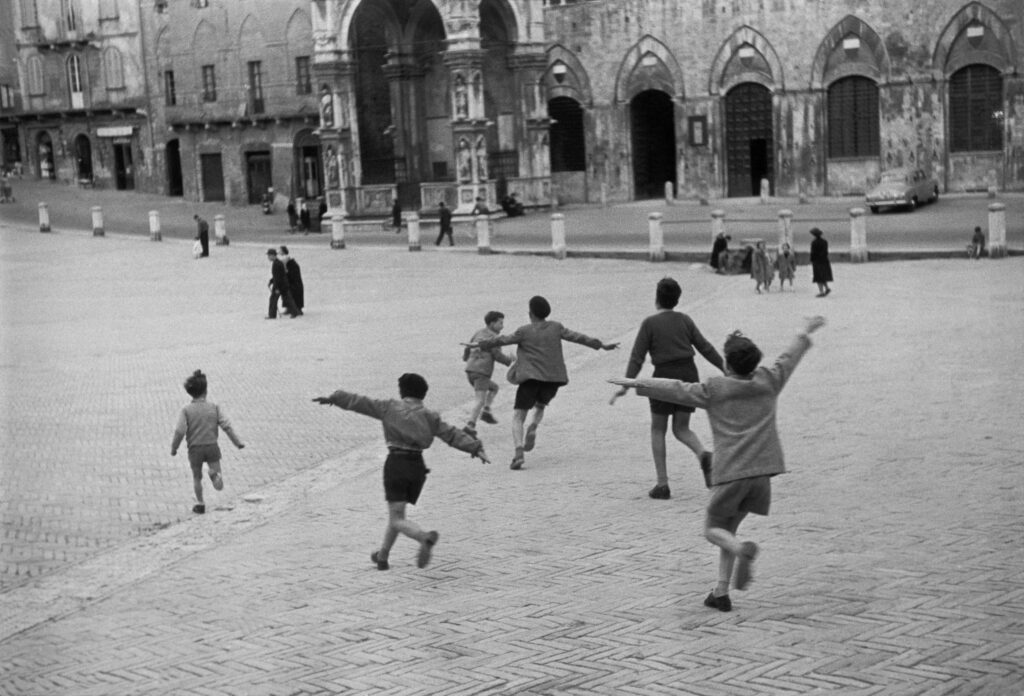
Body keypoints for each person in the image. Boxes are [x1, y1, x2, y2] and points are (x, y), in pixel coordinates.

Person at [609, 315, 827, 612]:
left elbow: (676, 388)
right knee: (729, 529)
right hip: (761, 476)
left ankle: (742, 551)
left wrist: (637, 382)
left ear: (727, 365)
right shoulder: (769, 380)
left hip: (731, 475)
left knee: (712, 529)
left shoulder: (715, 389)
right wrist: (803, 331)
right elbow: (789, 358)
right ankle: (720, 593)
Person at [312, 373, 489, 570]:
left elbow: (360, 402)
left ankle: (423, 537)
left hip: (396, 463)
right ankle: (382, 556)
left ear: (402, 391)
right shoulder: (430, 416)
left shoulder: (389, 407)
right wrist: (474, 447)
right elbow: (451, 434)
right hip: (417, 467)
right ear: (423, 395)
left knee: (397, 518)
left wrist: (335, 398)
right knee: (397, 516)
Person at [467, 295, 619, 471]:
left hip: (530, 379)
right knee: (540, 407)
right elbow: (578, 337)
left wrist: (480, 344)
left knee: (518, 416)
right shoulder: (556, 327)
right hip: (553, 380)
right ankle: (534, 426)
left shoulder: (524, 331)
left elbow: (502, 339)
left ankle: (518, 453)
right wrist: (601, 345)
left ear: (530, 313)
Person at [611, 278, 724, 499]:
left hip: (662, 377)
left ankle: (662, 484)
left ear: (657, 298)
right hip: (688, 374)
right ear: (677, 299)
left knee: (658, 429)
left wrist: (627, 384)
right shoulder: (685, 320)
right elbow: (705, 348)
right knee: (682, 428)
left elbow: (637, 357)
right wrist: (725, 368)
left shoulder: (649, 324)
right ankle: (703, 454)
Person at [171, 369, 245, 514]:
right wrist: (237, 442)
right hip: (212, 447)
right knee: (219, 484)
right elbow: (226, 426)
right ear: (206, 390)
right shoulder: (214, 408)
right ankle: (214, 474)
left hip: (195, 450)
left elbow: (179, 431)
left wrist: (174, 448)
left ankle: (200, 503)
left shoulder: (186, 410)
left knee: (196, 477)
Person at [462, 311, 512, 437]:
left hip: (470, 371)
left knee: (494, 388)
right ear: (492, 323)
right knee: (479, 400)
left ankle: (487, 411)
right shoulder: (494, 338)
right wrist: (509, 360)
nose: (502, 326)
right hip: (482, 372)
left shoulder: (478, 332)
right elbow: (497, 355)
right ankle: (470, 425)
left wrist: (465, 358)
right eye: (500, 323)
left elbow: (468, 347)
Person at [265, 248, 301, 319]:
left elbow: (278, 277)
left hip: (280, 285)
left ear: (273, 255)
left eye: (269, 256)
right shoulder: (277, 262)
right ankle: (295, 312)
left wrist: (277, 288)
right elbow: (277, 275)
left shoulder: (277, 264)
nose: (268, 257)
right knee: (288, 299)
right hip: (283, 285)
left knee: (273, 299)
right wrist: (271, 281)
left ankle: (272, 315)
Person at [279, 245, 304, 313]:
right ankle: (289, 308)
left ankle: (296, 308)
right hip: (291, 281)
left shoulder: (290, 263)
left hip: (294, 282)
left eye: (280, 250)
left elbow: (288, 271)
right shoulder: (286, 261)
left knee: (294, 294)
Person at [809, 228, 833, 297]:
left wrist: (812, 260)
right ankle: (827, 288)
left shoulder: (814, 242)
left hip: (817, 261)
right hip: (825, 261)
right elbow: (825, 252)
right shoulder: (825, 241)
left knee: (818, 277)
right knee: (823, 276)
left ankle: (821, 292)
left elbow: (813, 253)